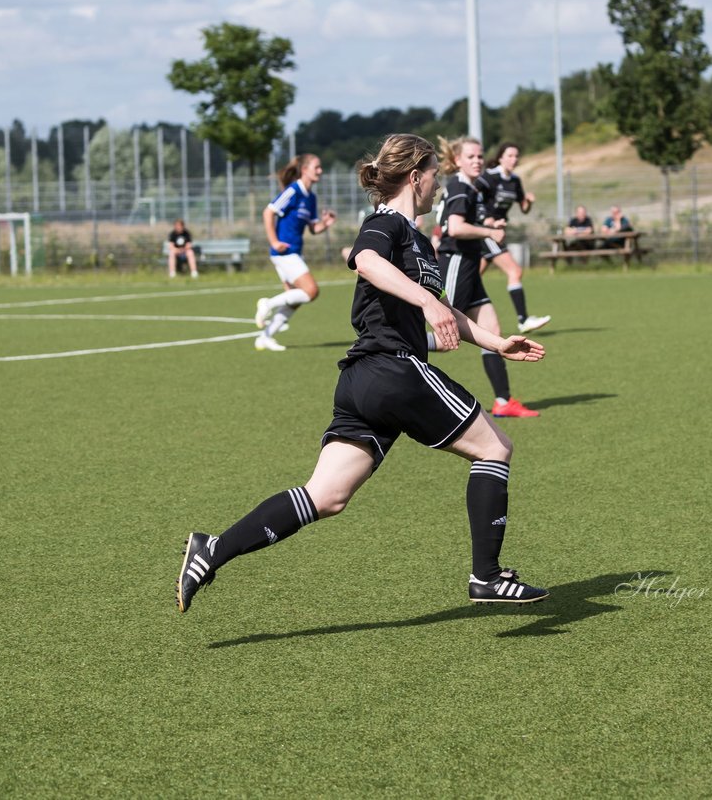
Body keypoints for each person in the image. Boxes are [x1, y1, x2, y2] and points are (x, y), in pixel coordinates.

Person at [176, 133, 549, 614]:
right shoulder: (386, 223)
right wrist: (423, 303)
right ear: (415, 177)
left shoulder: (417, 239)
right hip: (393, 369)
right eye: (435, 173)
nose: (439, 182)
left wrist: (498, 343)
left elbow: (440, 308)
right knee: (495, 447)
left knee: (326, 496)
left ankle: (212, 549)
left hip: (364, 381)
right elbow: (365, 260)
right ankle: (488, 576)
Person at [435, 135, 541, 419]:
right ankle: (396, 349)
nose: (477, 161)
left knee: (492, 333)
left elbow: (464, 221)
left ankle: (503, 402)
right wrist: (489, 232)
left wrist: (489, 223)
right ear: (457, 160)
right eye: (470, 156)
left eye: (480, 156)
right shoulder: (460, 186)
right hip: (456, 262)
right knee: (446, 338)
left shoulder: (472, 188)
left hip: (470, 264)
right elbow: (455, 228)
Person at [253, 154, 337, 351]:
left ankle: (265, 337)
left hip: (294, 253)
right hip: (284, 253)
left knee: (295, 299)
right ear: (304, 170)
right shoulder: (293, 191)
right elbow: (268, 212)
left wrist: (325, 224)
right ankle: (267, 303)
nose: (320, 171)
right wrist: (274, 241)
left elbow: (313, 229)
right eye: (317, 167)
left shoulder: (311, 197)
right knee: (311, 291)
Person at [475, 142, 550, 333]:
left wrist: (529, 202)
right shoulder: (488, 177)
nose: (514, 159)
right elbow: (472, 196)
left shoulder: (515, 181)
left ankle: (449, 315)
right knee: (515, 271)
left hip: (498, 232)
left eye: (516, 156)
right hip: (486, 231)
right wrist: (486, 219)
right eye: (510, 155)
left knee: (471, 278)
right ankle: (523, 320)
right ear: (500, 157)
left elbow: (524, 209)